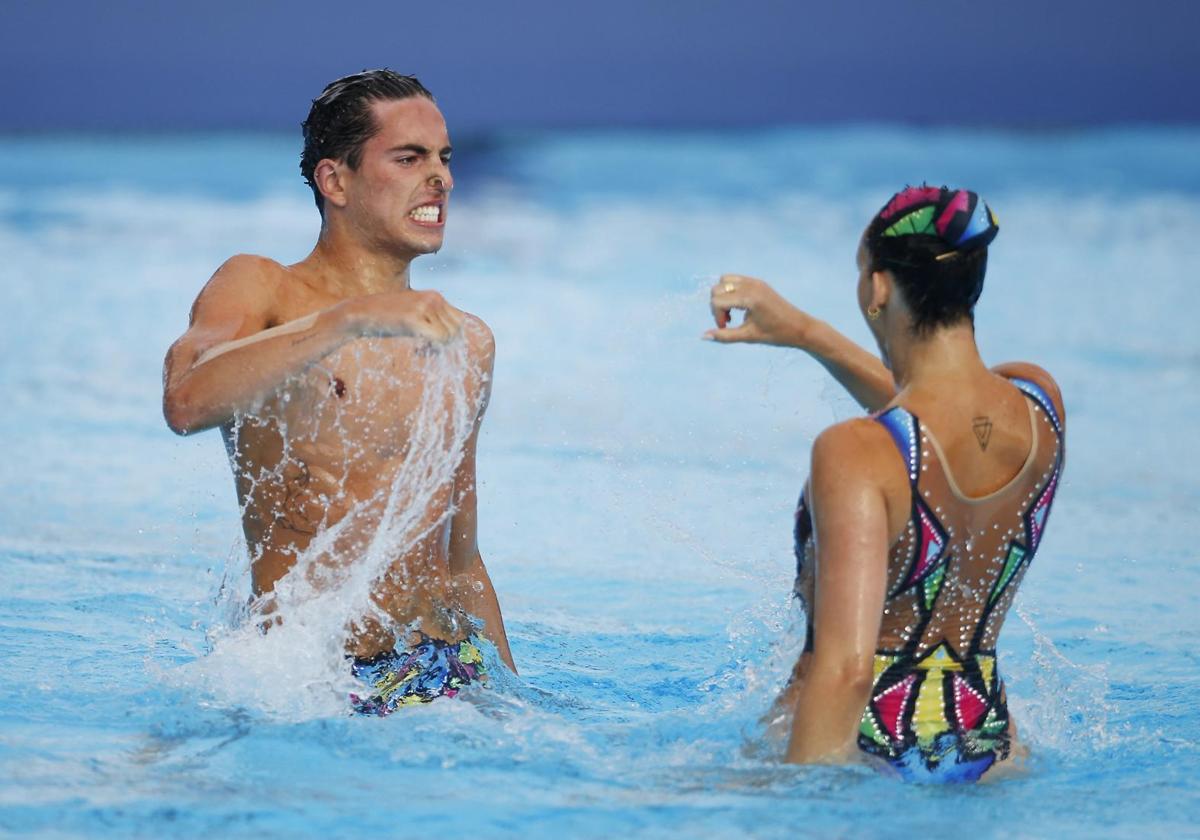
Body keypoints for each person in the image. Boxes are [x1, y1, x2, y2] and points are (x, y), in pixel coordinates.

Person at [162, 70, 515, 715]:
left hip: (440, 669)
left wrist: (513, 698)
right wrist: (347, 320)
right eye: (408, 158)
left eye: (443, 158)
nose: (439, 177)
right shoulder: (264, 289)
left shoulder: (466, 342)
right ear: (336, 180)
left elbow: (459, 560)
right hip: (312, 679)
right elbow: (186, 400)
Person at [705, 186, 1065, 782]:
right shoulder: (1037, 407)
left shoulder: (852, 451)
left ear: (877, 288)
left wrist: (800, 803)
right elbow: (930, 423)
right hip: (991, 751)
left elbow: (846, 673)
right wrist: (805, 332)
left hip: (866, 755)